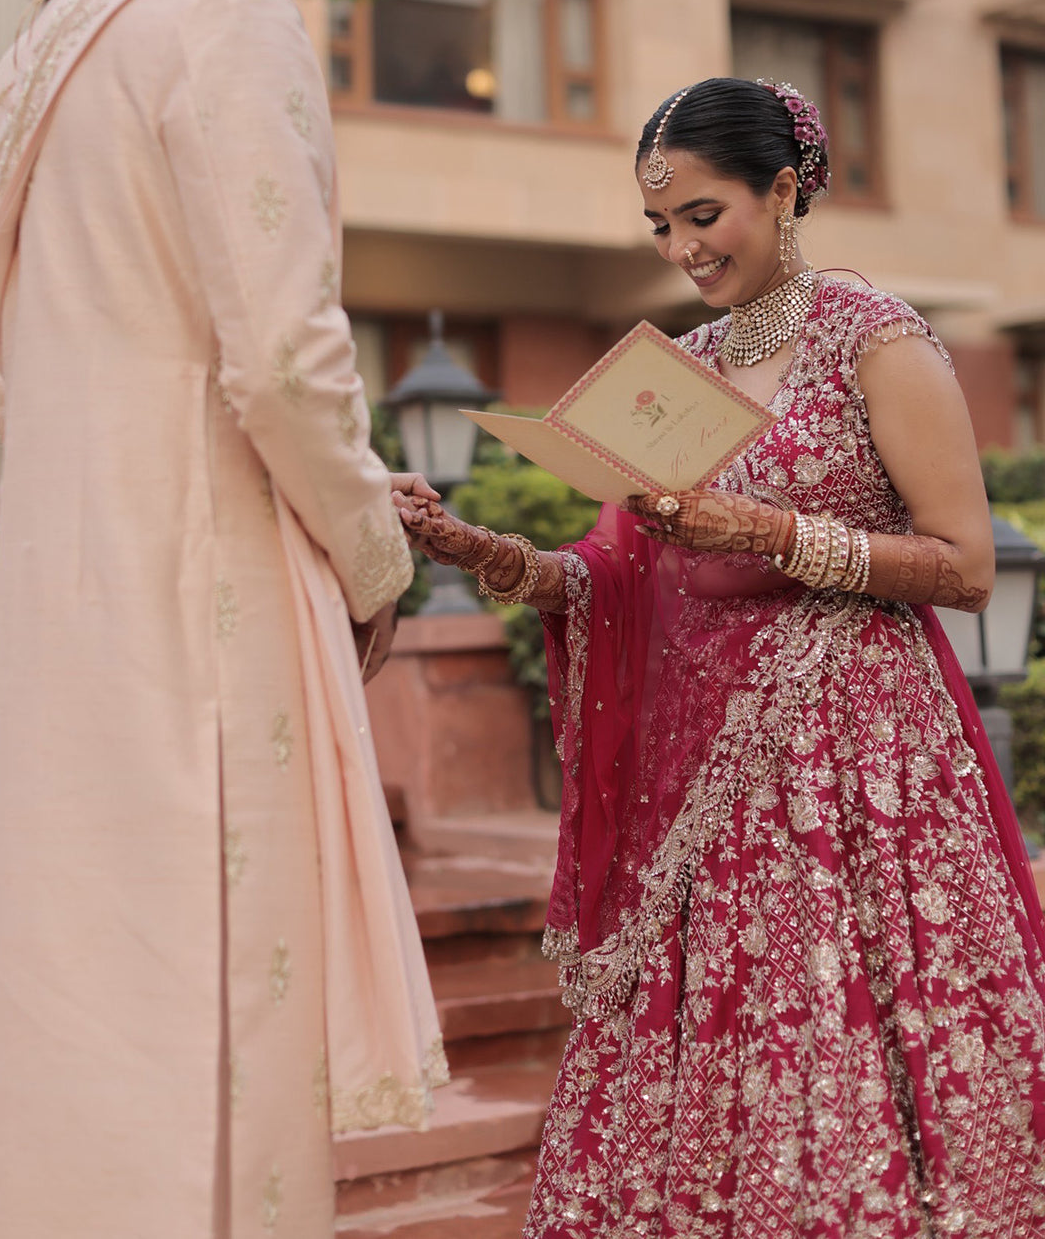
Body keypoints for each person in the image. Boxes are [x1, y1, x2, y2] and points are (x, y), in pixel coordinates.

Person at [0, 0, 445, 1239]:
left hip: (68, 609)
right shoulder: (220, 14)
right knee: (218, 1024)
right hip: (202, 603)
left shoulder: (41, 48)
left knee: (86, 1022)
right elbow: (287, 355)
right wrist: (373, 558)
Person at [397, 77, 1045, 1237]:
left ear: (784, 190)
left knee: (840, 1038)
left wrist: (779, 535)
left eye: (704, 215)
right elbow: (618, 576)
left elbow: (962, 564)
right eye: (661, 226)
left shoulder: (874, 337)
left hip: (856, 763)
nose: (682, 247)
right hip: (701, 788)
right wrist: (481, 551)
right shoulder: (675, 367)